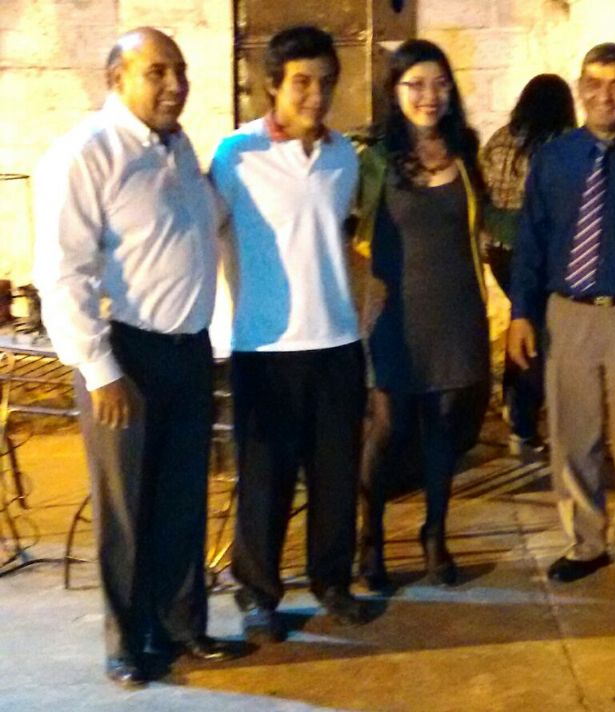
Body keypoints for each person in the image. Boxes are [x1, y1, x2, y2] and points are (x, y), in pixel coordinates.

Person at [33, 28, 241, 687]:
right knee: (125, 510)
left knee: (182, 498)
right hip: (125, 356)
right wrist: (100, 370)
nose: (176, 85)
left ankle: (182, 626)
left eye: (180, 71)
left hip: (187, 352)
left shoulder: (178, 149)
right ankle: (125, 643)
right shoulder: (85, 154)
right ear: (116, 79)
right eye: (158, 72)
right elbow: (61, 273)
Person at [209, 25, 370, 642]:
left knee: (335, 477)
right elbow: (204, 232)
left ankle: (332, 582)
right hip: (265, 347)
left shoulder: (342, 156)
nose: (315, 95)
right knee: (264, 481)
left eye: (326, 82)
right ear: (272, 85)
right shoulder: (236, 155)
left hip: (337, 342)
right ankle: (258, 594)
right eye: (302, 82)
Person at [508, 43, 615, 595]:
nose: (606, 96)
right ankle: (586, 543)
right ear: (580, 90)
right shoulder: (554, 158)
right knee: (573, 437)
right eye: (594, 84)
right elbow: (531, 239)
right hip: (567, 312)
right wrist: (521, 313)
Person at [356, 39, 491, 591]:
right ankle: (370, 537)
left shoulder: (465, 149)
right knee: (387, 427)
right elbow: (347, 227)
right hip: (395, 312)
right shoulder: (375, 159)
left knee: (443, 429)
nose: (429, 96)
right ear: (394, 91)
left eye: (439, 84)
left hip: (456, 310)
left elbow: (486, 223)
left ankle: (435, 534)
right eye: (415, 84)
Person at [480, 73, 576, 455]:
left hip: (499, 249)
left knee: (521, 320)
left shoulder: (500, 139)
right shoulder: (561, 144)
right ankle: (523, 423)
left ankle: (512, 403)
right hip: (538, 252)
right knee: (536, 331)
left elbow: (484, 190)